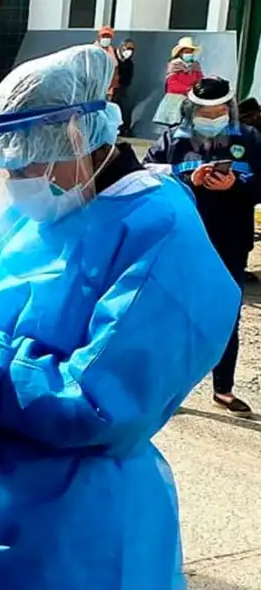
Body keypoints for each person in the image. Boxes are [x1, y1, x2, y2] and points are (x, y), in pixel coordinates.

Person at [0, 44, 240, 589]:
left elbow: (97, 405)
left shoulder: (157, 230)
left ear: (75, 138)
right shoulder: (55, 201)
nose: (13, 179)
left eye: (24, 160)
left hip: (68, 523)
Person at [144, 77, 258, 417]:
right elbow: (147, 177)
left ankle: (223, 389)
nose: (212, 117)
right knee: (171, 314)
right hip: (180, 240)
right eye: (205, 111)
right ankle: (160, 388)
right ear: (192, 110)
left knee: (226, 316)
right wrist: (184, 180)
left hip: (230, 242)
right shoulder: (171, 140)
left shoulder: (250, 141)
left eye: (220, 111)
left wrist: (236, 185)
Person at [153, 37, 203, 129]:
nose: (189, 54)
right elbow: (172, 83)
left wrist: (198, 88)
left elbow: (200, 79)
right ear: (180, 53)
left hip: (191, 98)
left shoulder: (195, 66)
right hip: (175, 99)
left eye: (191, 52)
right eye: (187, 52)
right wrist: (187, 89)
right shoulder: (174, 65)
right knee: (174, 124)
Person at [115, 38, 136, 136]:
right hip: (110, 87)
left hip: (121, 88)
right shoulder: (113, 57)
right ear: (122, 46)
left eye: (132, 49)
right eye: (128, 48)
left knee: (124, 107)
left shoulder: (129, 63)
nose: (129, 51)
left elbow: (129, 77)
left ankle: (124, 129)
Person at [94, 26, 119, 98]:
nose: (106, 39)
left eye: (108, 37)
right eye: (104, 36)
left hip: (108, 90)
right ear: (99, 37)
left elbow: (115, 66)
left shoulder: (110, 49)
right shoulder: (94, 50)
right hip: (96, 90)